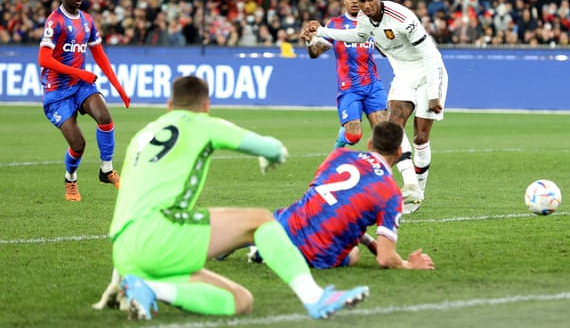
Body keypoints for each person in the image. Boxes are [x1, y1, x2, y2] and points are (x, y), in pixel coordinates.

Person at [94, 75, 368, 321]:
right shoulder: (203, 124)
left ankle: (150, 288)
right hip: (160, 234)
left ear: (169, 105)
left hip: (125, 249)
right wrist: (270, 156)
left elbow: (129, 200)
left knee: (241, 301)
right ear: (206, 106)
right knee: (260, 220)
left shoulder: (142, 137)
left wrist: (120, 274)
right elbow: (272, 148)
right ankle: (314, 297)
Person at [305, 0, 449, 214]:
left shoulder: (403, 18)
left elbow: (430, 55)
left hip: (428, 73)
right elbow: (357, 36)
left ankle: (419, 190)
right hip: (403, 75)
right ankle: (409, 186)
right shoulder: (363, 18)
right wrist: (321, 30)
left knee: (421, 138)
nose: (367, 5)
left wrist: (434, 94)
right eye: (362, 1)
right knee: (392, 127)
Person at [248, 121, 435, 271]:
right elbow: (385, 259)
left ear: (370, 144)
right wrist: (408, 265)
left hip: (286, 223)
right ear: (399, 152)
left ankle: (252, 245)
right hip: (319, 250)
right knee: (352, 254)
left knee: (259, 221)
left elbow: (326, 200)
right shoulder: (390, 191)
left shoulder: (340, 155)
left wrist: (369, 241)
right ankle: (283, 256)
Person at [38, 0, 130, 202]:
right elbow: (44, 59)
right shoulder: (54, 21)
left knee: (105, 117)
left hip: (80, 86)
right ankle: (70, 179)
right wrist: (80, 72)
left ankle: (106, 170)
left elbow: (100, 56)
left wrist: (119, 87)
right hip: (56, 92)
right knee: (78, 144)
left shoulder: (87, 20)